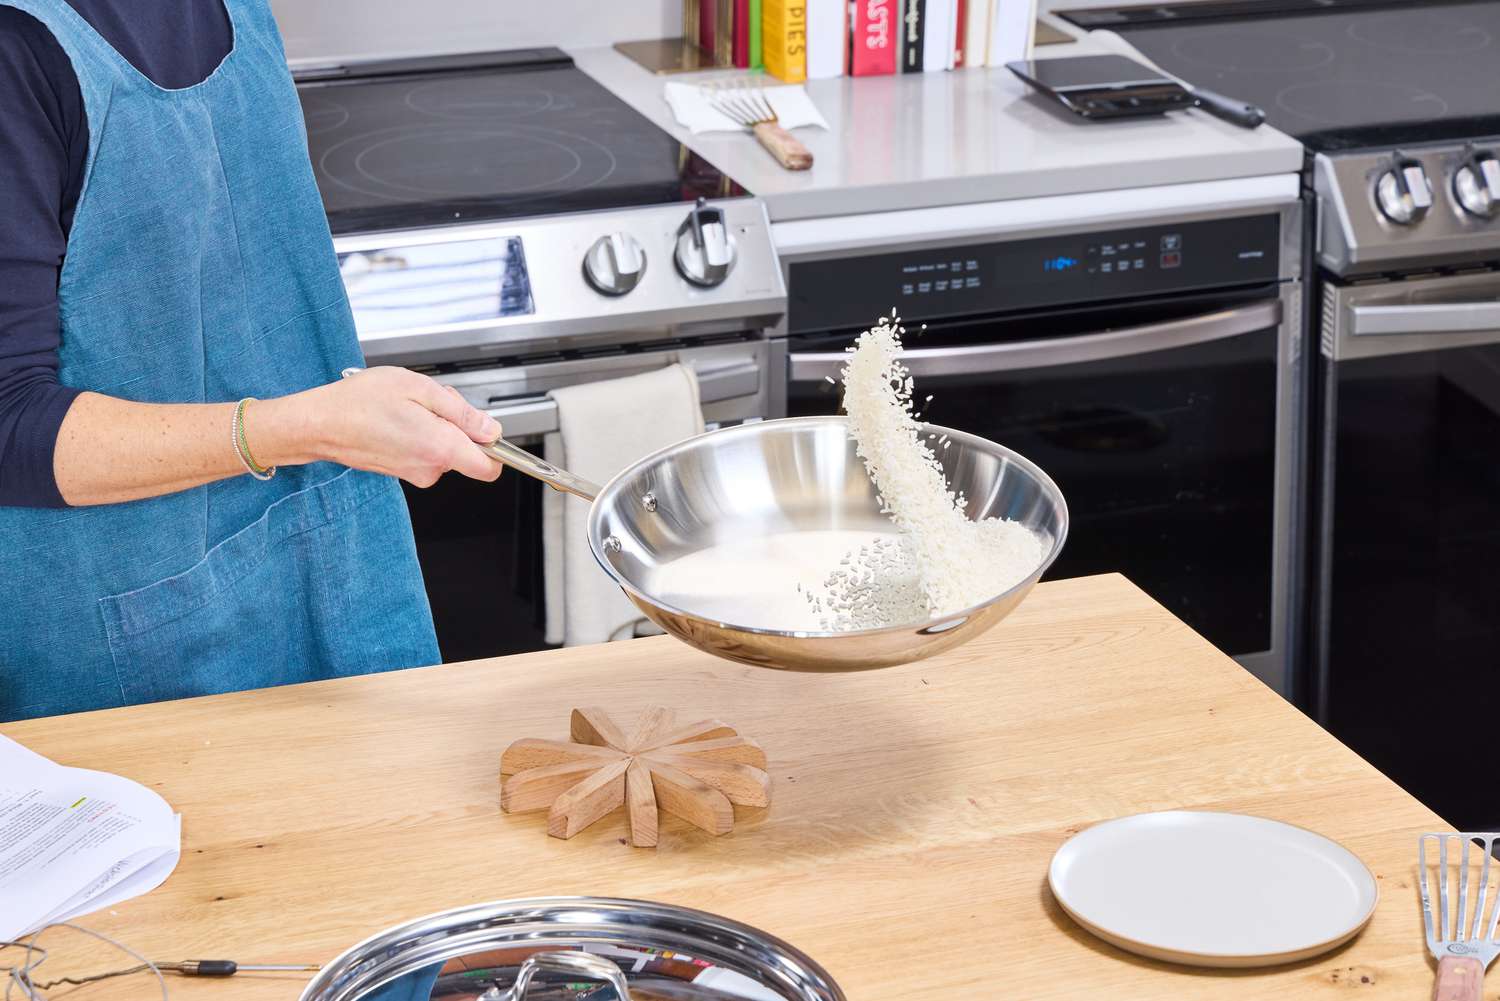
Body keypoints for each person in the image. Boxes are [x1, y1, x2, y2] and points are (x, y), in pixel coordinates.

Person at [0, 0, 505, 723]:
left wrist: (312, 428)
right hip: (125, 649)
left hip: (330, 564)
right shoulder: (17, 48)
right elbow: (7, 421)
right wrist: (298, 429)